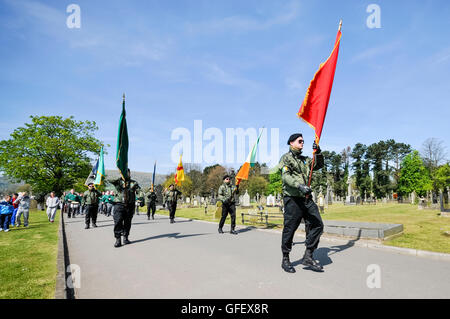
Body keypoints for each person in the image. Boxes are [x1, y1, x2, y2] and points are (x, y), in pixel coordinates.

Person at [279, 133, 324, 273]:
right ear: (291, 143)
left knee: (317, 224)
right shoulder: (286, 158)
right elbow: (286, 177)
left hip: (306, 198)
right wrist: (299, 185)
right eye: (300, 141)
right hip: (293, 198)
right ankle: (285, 258)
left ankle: (308, 255)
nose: (302, 143)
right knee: (290, 228)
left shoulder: (305, 160)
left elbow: (318, 165)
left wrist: (318, 152)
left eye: (303, 141)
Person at [108, 169, 141, 247]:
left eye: (127, 173)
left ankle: (125, 237)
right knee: (118, 221)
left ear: (130, 173)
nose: (126, 174)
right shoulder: (118, 182)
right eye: (124, 173)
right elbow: (109, 180)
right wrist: (120, 177)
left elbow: (139, 191)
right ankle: (118, 239)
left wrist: (142, 198)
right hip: (119, 204)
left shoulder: (133, 183)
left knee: (127, 222)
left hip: (130, 205)